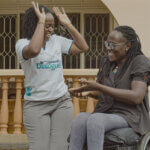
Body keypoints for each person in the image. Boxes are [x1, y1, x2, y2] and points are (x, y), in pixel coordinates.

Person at [15, 1, 88, 150]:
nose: (50, 29)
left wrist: (68, 25)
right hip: (36, 105)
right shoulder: (22, 44)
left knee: (59, 147)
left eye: (52, 25)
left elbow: (83, 47)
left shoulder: (56, 41)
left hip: (61, 102)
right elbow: (34, 50)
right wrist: (41, 21)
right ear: (35, 24)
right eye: (46, 25)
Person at [69, 25, 150, 150]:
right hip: (106, 112)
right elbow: (106, 94)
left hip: (129, 115)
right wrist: (89, 93)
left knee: (96, 119)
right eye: (107, 43)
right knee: (80, 119)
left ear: (127, 46)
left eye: (113, 45)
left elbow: (137, 97)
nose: (108, 48)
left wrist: (100, 87)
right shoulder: (107, 62)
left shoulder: (139, 62)